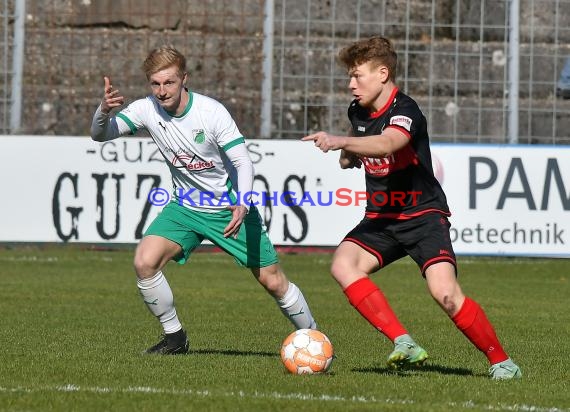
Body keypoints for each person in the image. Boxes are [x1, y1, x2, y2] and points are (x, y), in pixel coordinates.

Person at [302, 36, 521, 379]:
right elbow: (362, 140)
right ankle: (404, 342)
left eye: (357, 76)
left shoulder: (406, 111)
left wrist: (342, 142)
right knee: (344, 265)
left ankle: (502, 362)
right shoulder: (357, 110)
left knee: (445, 294)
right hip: (382, 218)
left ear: (383, 74)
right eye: (350, 77)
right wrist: (348, 154)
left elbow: (390, 141)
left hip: (422, 216)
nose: (350, 84)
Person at [91, 45, 317, 355]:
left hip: (229, 209)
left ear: (184, 79)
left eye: (168, 82)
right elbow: (100, 135)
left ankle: (315, 338)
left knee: (273, 281)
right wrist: (103, 112)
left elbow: (243, 162)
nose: (161, 91)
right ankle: (175, 338)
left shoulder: (211, 112)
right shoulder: (146, 109)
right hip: (184, 208)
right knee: (144, 262)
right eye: (155, 84)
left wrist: (244, 203)